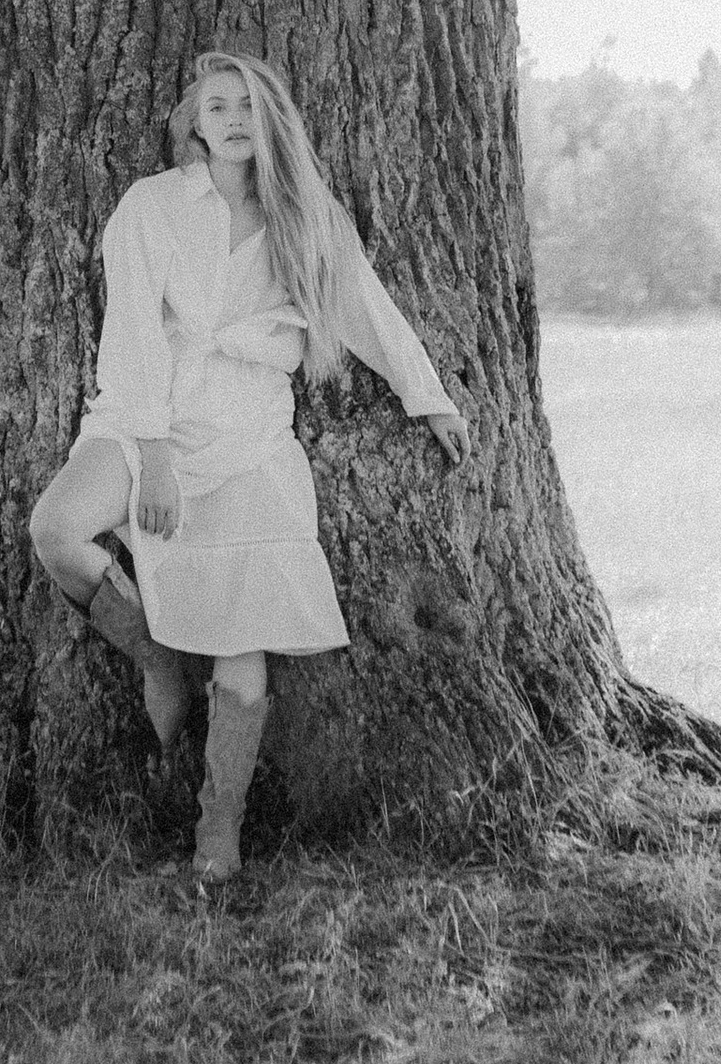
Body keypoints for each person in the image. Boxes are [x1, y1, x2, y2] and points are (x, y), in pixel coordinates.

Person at [29, 50, 469, 884]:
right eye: (217, 105)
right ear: (194, 122)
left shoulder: (306, 217)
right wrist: (152, 450)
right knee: (56, 529)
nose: (234, 119)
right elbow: (128, 329)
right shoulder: (153, 206)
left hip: (251, 434)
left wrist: (430, 397)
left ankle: (216, 838)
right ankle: (157, 655)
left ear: (273, 125)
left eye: (249, 107)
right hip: (146, 413)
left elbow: (366, 309)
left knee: (243, 639)